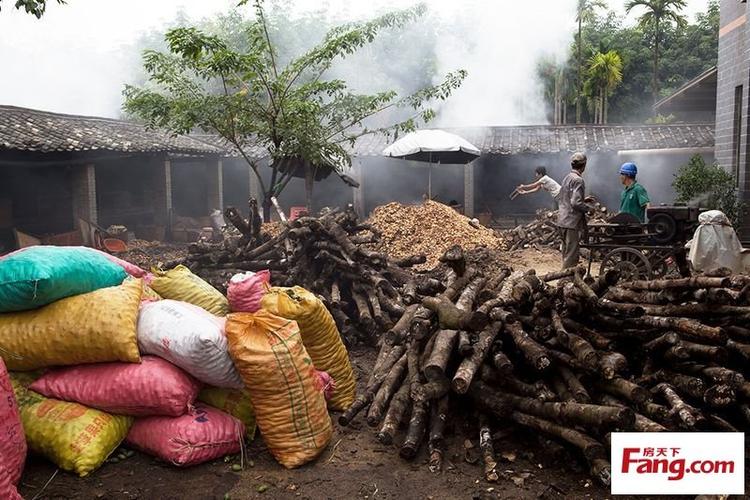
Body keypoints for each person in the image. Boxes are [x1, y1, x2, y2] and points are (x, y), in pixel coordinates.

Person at [557, 152, 592, 270]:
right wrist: (588, 209)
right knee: (571, 257)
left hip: (562, 220)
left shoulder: (567, 178)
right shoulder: (578, 180)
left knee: (566, 254)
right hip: (571, 222)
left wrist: (583, 199)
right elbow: (575, 203)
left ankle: (564, 280)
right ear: (584, 165)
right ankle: (564, 282)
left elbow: (564, 197)